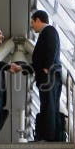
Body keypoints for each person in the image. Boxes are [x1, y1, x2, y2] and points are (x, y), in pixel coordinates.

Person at [30, 10, 63, 141]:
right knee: (48, 104)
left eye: (32, 22)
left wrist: (46, 68)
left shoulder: (49, 31)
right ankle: (49, 136)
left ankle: (49, 137)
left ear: (38, 20)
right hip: (49, 75)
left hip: (49, 75)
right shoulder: (46, 32)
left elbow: (52, 48)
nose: (32, 26)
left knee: (48, 105)